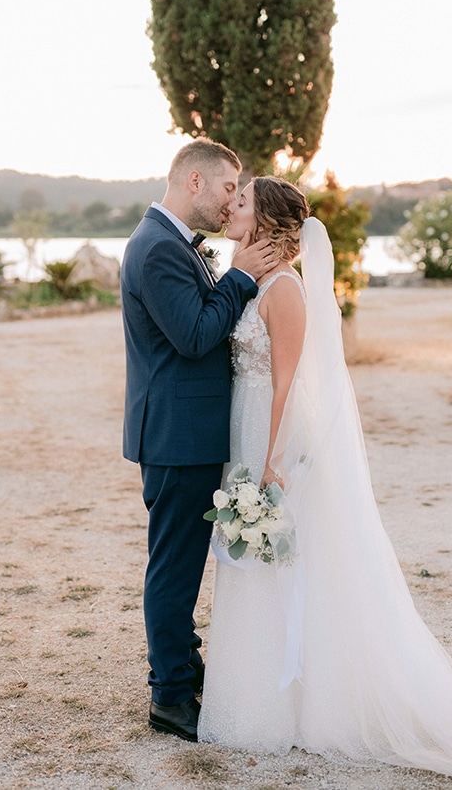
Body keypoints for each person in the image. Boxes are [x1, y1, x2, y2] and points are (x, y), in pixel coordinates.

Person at [198, 176, 452, 789]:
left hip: (268, 437)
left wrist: (273, 460)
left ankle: (293, 703)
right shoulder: (254, 282)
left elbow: (286, 384)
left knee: (283, 563)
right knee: (257, 563)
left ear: (269, 221)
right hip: (244, 432)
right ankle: (256, 699)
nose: (232, 207)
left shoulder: (284, 290)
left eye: (244, 201)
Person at [120, 139, 277, 743]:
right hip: (177, 435)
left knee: (180, 561)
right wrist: (239, 278)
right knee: (175, 569)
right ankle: (170, 696)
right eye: (227, 189)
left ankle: (185, 665)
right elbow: (192, 336)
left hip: (186, 431)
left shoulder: (171, 243)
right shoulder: (157, 248)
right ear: (193, 181)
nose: (232, 201)